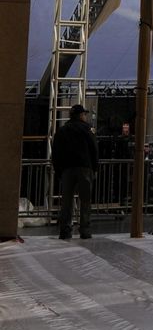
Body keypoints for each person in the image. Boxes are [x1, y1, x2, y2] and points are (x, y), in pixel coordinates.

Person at [51, 103, 99, 241]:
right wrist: (94, 168)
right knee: (85, 200)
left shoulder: (62, 130)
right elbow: (94, 149)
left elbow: (56, 153)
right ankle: (85, 230)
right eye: (84, 114)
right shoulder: (87, 129)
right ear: (81, 115)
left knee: (67, 201)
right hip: (84, 168)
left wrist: (59, 170)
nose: (85, 116)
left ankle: (65, 230)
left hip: (67, 169)